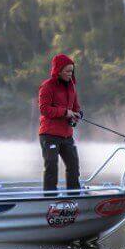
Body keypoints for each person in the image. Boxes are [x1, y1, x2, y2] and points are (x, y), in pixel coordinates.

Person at [38, 54, 81, 192]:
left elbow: (75, 107)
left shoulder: (71, 87)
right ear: (58, 70)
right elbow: (44, 109)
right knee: (51, 165)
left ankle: (74, 195)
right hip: (49, 134)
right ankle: (50, 197)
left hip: (66, 135)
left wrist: (77, 114)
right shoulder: (47, 86)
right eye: (67, 71)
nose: (70, 74)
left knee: (73, 165)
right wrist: (64, 112)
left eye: (71, 71)